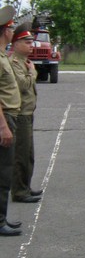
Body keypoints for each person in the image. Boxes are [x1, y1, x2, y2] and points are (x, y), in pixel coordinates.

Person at [10, 23, 42, 203]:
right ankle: (19, 191)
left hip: (28, 113)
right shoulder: (14, 63)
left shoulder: (24, 63)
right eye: (27, 42)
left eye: (32, 42)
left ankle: (25, 187)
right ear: (16, 43)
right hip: (20, 114)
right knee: (21, 155)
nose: (31, 45)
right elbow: (21, 85)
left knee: (28, 154)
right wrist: (32, 74)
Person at [0, 6, 23, 236]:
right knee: (3, 172)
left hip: (9, 116)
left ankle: (2, 217)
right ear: (5, 31)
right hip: (4, 118)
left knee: (4, 171)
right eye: (10, 28)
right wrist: (3, 126)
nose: (12, 32)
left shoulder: (2, 56)